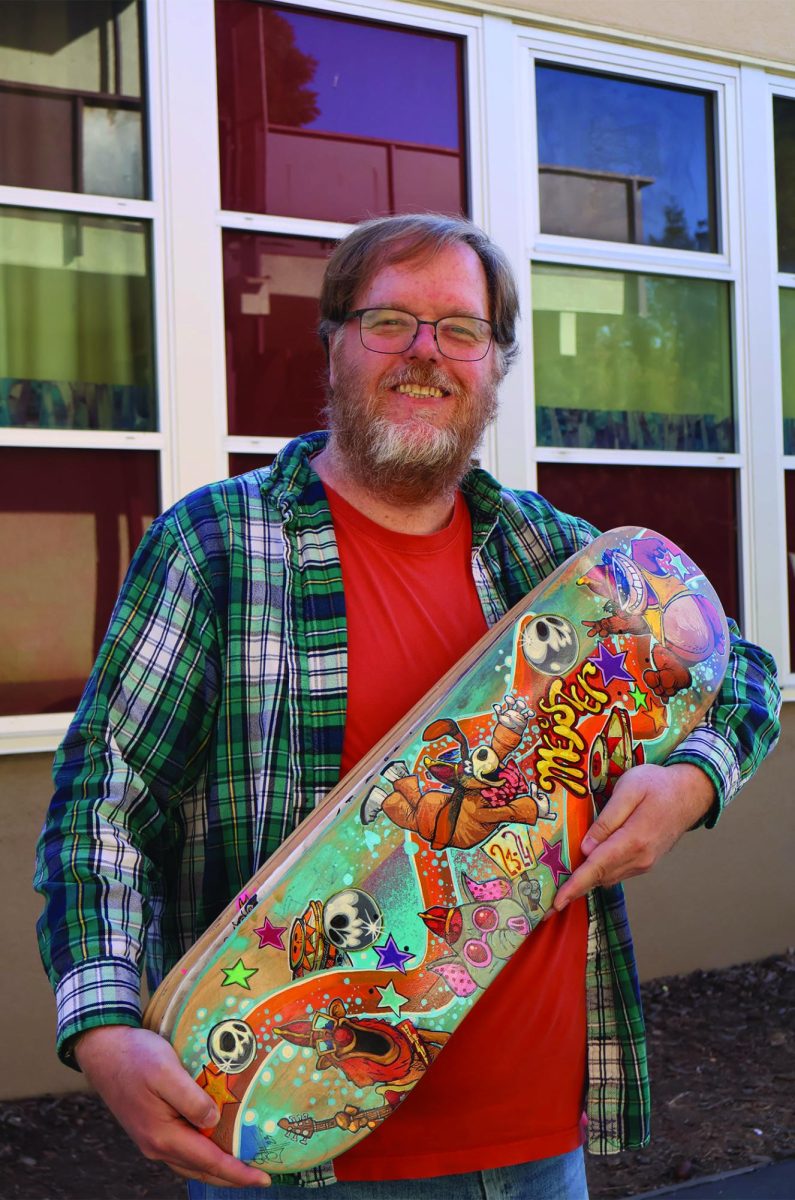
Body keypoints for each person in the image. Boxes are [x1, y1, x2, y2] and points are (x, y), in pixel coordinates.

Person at [35, 214, 780, 1200]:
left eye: (460, 329)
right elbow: (106, 800)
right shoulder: (218, 545)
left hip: (534, 1147)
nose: (427, 354)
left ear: (497, 364)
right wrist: (103, 1028)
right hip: (291, 1145)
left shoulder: (548, 554)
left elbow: (738, 664)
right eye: (391, 319)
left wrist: (691, 779)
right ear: (334, 342)